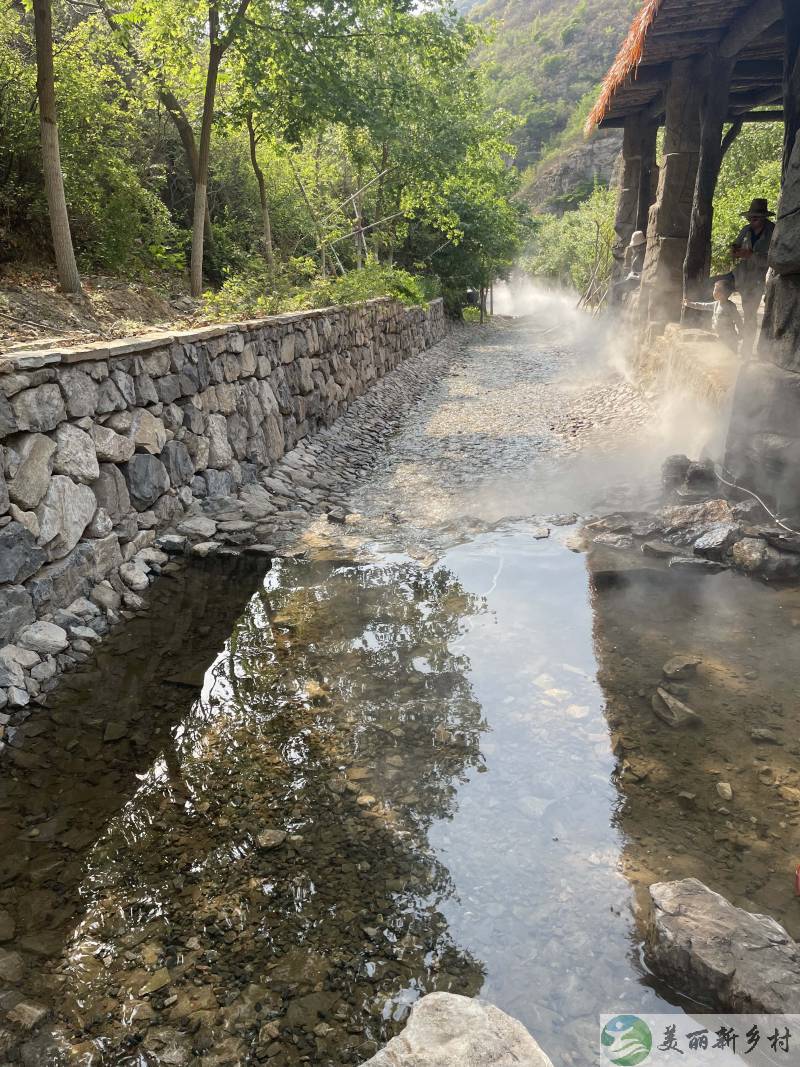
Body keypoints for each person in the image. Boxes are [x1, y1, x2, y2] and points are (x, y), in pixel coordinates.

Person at [731, 197, 775, 356]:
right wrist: (735, 250)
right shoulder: (746, 229)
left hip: (763, 278)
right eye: (750, 218)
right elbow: (735, 245)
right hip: (744, 277)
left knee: (754, 313)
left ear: (764, 217)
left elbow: (773, 259)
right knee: (747, 311)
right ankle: (744, 346)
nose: (751, 220)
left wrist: (751, 255)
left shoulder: (773, 232)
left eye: (754, 218)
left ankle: (753, 349)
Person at [683, 272, 742, 352]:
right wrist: (690, 304)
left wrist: (741, 332)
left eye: (715, 290)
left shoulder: (730, 307)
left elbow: (738, 319)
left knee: (730, 354)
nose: (713, 292)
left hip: (729, 337)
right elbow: (703, 305)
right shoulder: (716, 304)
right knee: (720, 354)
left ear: (722, 294)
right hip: (719, 336)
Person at [612, 229, 646, 304]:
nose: (633, 248)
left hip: (636, 282)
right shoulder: (638, 254)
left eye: (635, 246)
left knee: (616, 288)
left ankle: (615, 311)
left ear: (640, 245)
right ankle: (617, 308)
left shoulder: (642, 255)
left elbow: (640, 274)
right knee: (616, 287)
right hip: (634, 280)